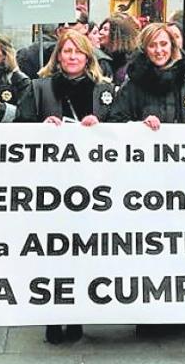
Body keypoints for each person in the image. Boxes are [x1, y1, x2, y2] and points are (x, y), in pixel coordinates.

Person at [16, 30, 116, 344]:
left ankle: (77, 315)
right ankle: (52, 315)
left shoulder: (104, 90)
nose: (71, 57)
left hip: (93, 186)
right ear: (57, 56)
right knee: (53, 253)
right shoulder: (39, 87)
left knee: (84, 253)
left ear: (88, 56)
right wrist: (39, 129)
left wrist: (101, 129)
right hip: (51, 186)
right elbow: (18, 129)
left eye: (77, 52)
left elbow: (123, 129)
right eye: (66, 51)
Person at [106, 22, 185, 129]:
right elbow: (116, 122)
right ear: (144, 49)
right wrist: (139, 126)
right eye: (152, 45)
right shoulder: (132, 86)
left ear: (172, 46)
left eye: (163, 44)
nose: (159, 51)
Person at [98, 14, 140, 86]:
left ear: (117, 33)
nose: (100, 32)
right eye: (101, 28)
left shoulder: (133, 57)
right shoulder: (101, 56)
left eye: (105, 29)